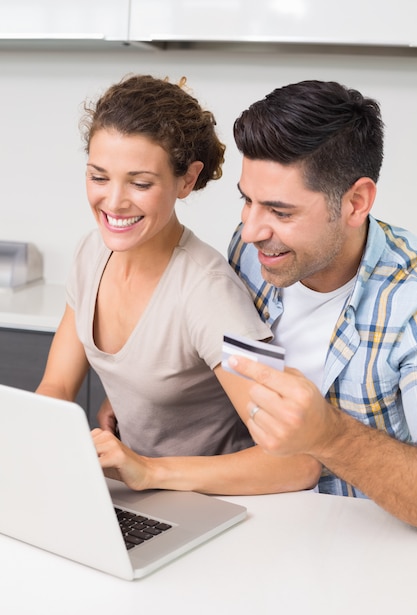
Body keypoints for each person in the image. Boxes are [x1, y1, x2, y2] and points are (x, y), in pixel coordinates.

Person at [36, 74, 320, 495]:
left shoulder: (208, 292)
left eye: (140, 183)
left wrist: (150, 470)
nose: (113, 202)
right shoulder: (89, 254)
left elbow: (298, 461)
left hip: (220, 509)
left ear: (186, 180)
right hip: (139, 499)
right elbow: (57, 386)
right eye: (99, 177)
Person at [226, 79, 417, 526]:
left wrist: (331, 436)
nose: (251, 229)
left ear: (356, 202)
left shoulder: (408, 304)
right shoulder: (251, 253)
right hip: (257, 531)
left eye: (280, 211)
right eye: (246, 201)